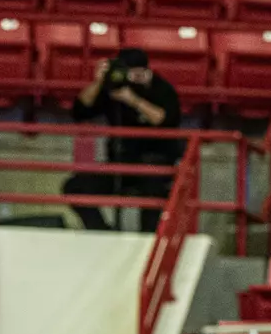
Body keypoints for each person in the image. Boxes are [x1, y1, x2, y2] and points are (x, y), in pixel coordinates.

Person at [62, 47, 183, 232]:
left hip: (154, 164)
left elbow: (165, 120)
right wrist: (98, 82)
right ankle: (101, 232)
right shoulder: (114, 88)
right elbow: (80, 111)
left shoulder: (162, 89)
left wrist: (133, 100)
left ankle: (148, 242)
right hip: (119, 163)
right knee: (75, 186)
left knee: (154, 194)